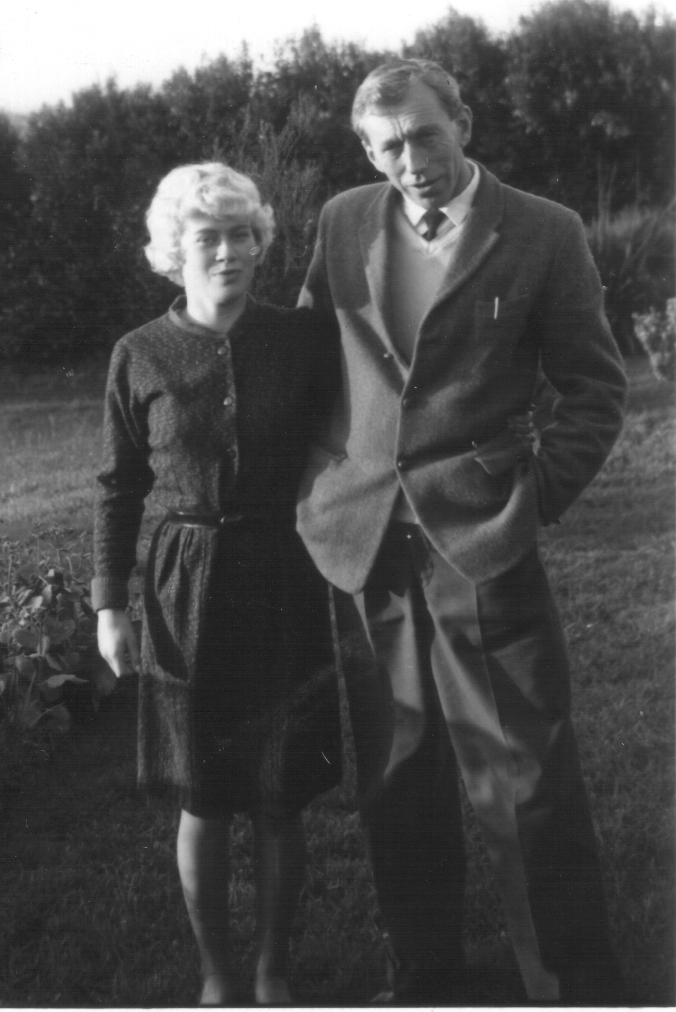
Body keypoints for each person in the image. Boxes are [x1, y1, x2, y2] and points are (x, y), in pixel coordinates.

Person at [296, 59, 627, 1004]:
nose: (411, 160)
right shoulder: (343, 220)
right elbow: (312, 354)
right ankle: (426, 975)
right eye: (387, 146)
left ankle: (570, 981)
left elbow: (595, 389)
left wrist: (534, 496)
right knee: (397, 772)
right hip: (366, 546)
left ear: (465, 124)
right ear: (368, 152)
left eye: (425, 135)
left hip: (482, 543)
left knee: (526, 770)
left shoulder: (544, 230)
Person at [93, 163, 341, 1006]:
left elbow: (346, 441)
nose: (230, 251)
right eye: (209, 238)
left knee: (279, 792)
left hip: (283, 578)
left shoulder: (302, 339)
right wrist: (109, 605)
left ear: (260, 241)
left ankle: (272, 969)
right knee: (202, 794)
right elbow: (118, 486)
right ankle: (218, 973)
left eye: (243, 235)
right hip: (182, 589)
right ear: (176, 249)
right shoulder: (138, 354)